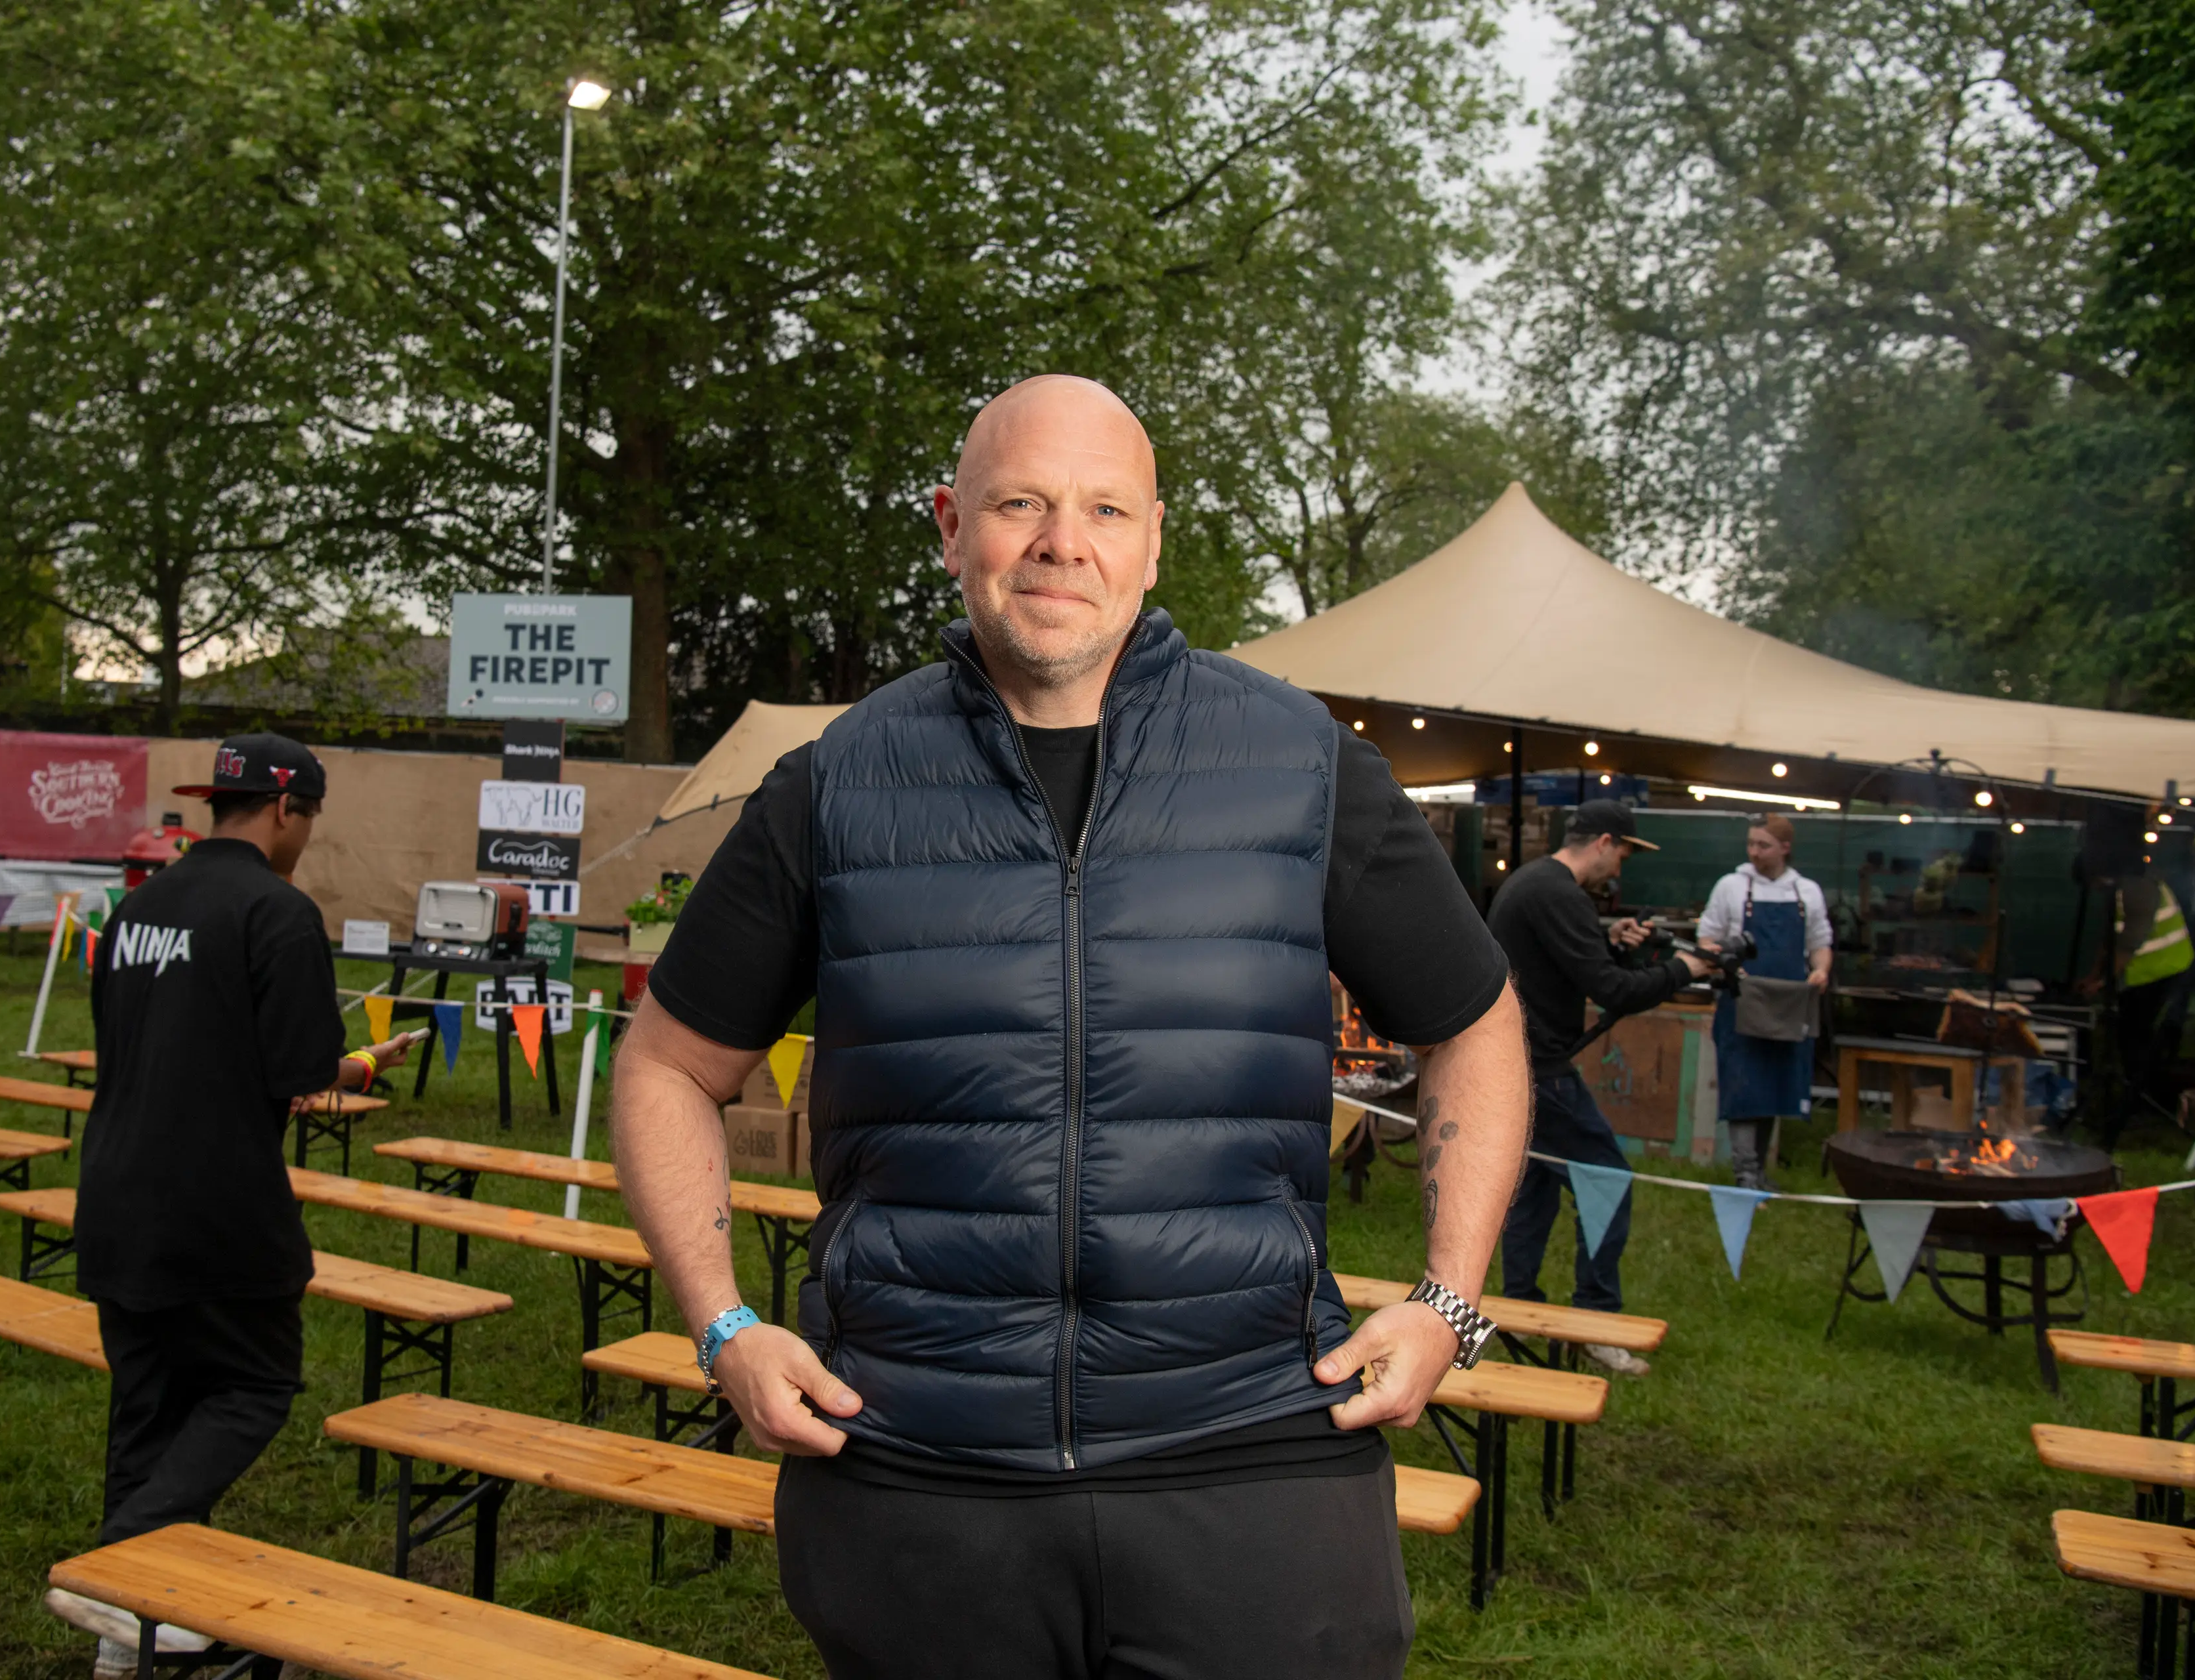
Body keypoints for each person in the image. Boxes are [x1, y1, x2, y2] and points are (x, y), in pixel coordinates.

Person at [613, 374, 1532, 1679]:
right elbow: (666, 1063)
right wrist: (721, 1327)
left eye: (1105, 507)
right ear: (950, 523)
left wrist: (1448, 1300)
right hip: (921, 1470)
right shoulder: (837, 782)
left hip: (1253, 1460)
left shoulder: (1300, 762)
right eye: (1020, 503)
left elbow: (1474, 1021)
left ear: (1154, 539)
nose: (1063, 541)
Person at [47, 733, 413, 1680]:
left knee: (150, 1409)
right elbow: (295, 1072)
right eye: (312, 820)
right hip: (215, 1204)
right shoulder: (277, 912)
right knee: (253, 1385)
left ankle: (133, 1636)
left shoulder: (135, 909)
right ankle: (117, 1565)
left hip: (116, 1189)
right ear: (288, 810)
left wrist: (360, 1060)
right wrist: (362, 1065)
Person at [1487, 800, 1711, 1376]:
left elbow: (1571, 969)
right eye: (1625, 856)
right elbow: (1614, 992)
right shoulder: (1558, 893)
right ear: (1606, 841)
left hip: (1519, 1063)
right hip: (1538, 1070)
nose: (1622, 870)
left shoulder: (1536, 883)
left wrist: (1615, 946)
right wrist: (1686, 969)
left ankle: (1518, 1310)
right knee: (1608, 1181)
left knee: (1532, 1188)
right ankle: (1597, 1322)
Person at [1698, 814, 1831, 1190]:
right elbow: (1707, 938)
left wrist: (1820, 971)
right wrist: (1722, 961)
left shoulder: (1806, 892)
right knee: (1744, 1085)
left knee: (1774, 1084)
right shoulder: (1731, 887)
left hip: (1788, 1005)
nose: (1754, 852)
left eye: (1763, 845)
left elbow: (1821, 943)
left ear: (1785, 848)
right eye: (1751, 844)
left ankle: (1758, 1174)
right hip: (1742, 1000)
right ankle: (1745, 1175)